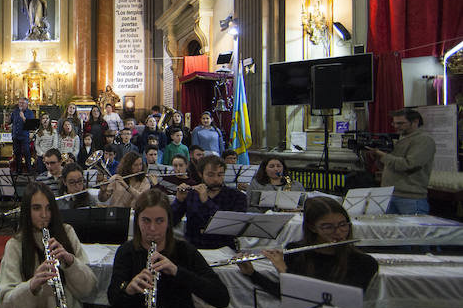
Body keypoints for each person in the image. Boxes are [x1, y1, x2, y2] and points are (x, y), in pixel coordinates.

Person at [238, 197, 378, 295]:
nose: (339, 232)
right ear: (312, 227)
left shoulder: (364, 262)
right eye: (328, 227)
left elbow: (335, 299)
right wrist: (252, 274)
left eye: (343, 225)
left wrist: (284, 272)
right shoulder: (296, 252)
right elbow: (286, 295)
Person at [368, 108, 436, 215]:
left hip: (410, 199)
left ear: (415, 122)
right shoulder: (400, 140)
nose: (396, 127)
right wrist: (377, 158)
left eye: (400, 123)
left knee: (413, 231)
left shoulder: (424, 140)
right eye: (394, 123)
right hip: (389, 195)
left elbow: (409, 165)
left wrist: (383, 155)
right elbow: (390, 167)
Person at [173, 154, 248, 249]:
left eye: (220, 174)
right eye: (210, 175)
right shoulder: (191, 194)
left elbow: (232, 227)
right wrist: (179, 201)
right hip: (194, 248)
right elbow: (172, 222)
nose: (216, 179)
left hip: (223, 248)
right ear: (201, 174)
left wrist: (206, 201)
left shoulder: (237, 196)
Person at [11, 97, 35, 175]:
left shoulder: (30, 112)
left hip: (24, 136)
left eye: (22, 103)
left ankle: (29, 170)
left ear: (26, 104)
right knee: (17, 153)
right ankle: (19, 170)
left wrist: (23, 118)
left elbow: (31, 125)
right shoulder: (15, 112)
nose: (20, 104)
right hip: (16, 135)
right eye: (19, 103)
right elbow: (11, 121)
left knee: (26, 152)